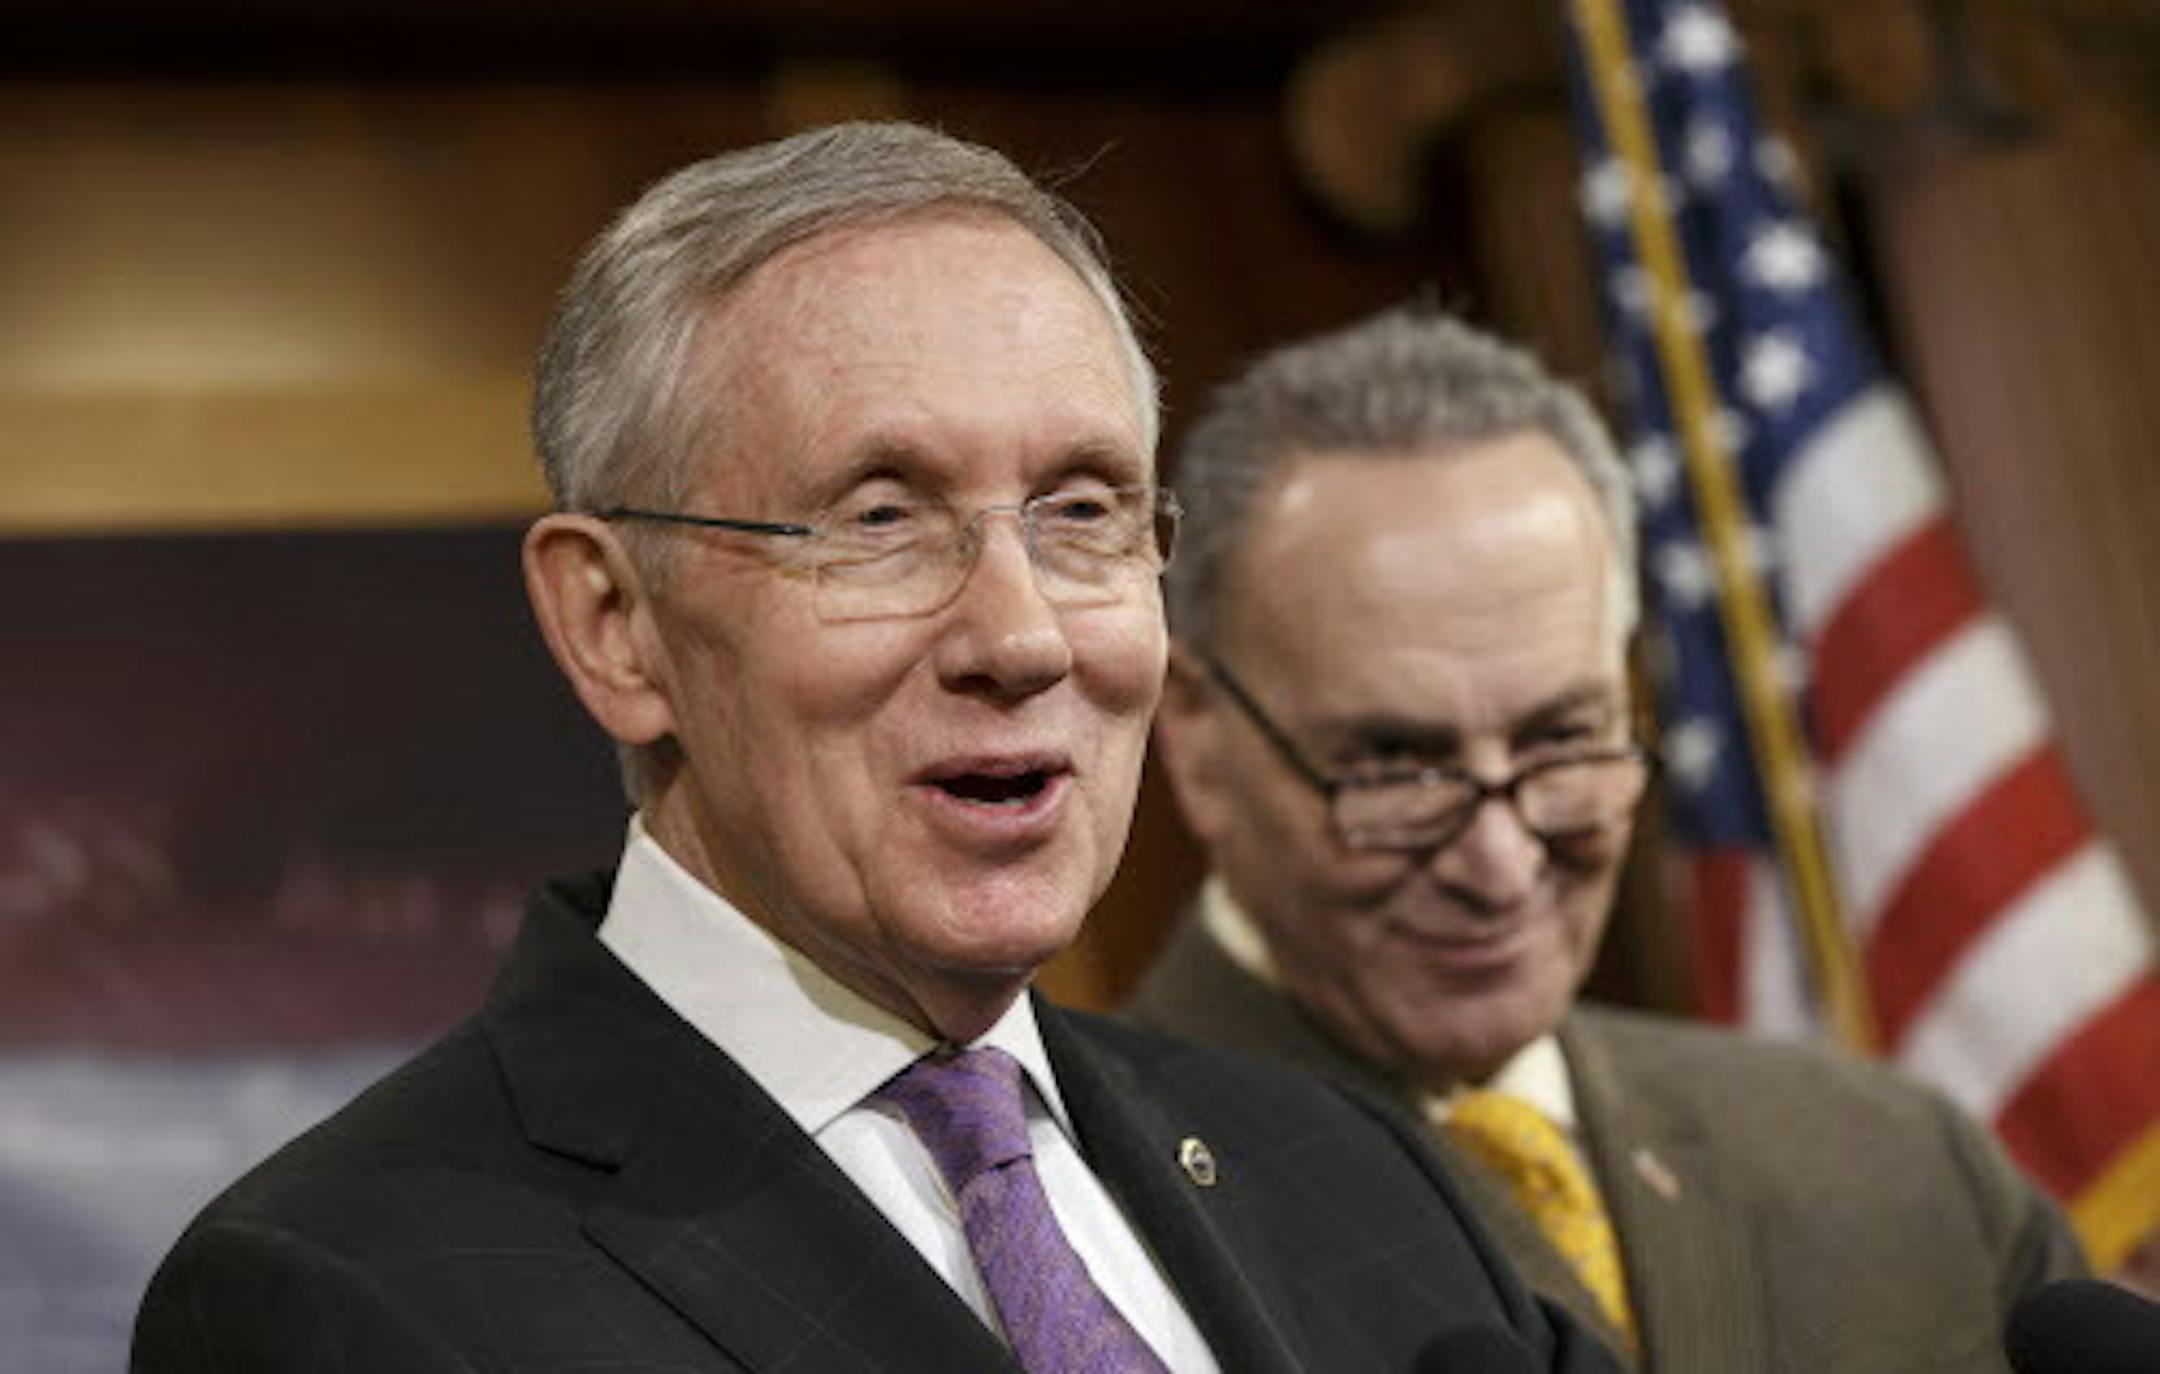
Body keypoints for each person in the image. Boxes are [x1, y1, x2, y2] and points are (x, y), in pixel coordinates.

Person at [130, 124, 1623, 1374]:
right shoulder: (342, 1294)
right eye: (880, 517)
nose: (1023, 634)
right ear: (615, 626)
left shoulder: (1366, 1180)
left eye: (1086, 508)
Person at [1126, 305, 2086, 1372]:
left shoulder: (1899, 1170)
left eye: (1566, 740)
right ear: (1198, 740)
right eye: (1396, 764)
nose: (1501, 863)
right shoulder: (1095, 1225)